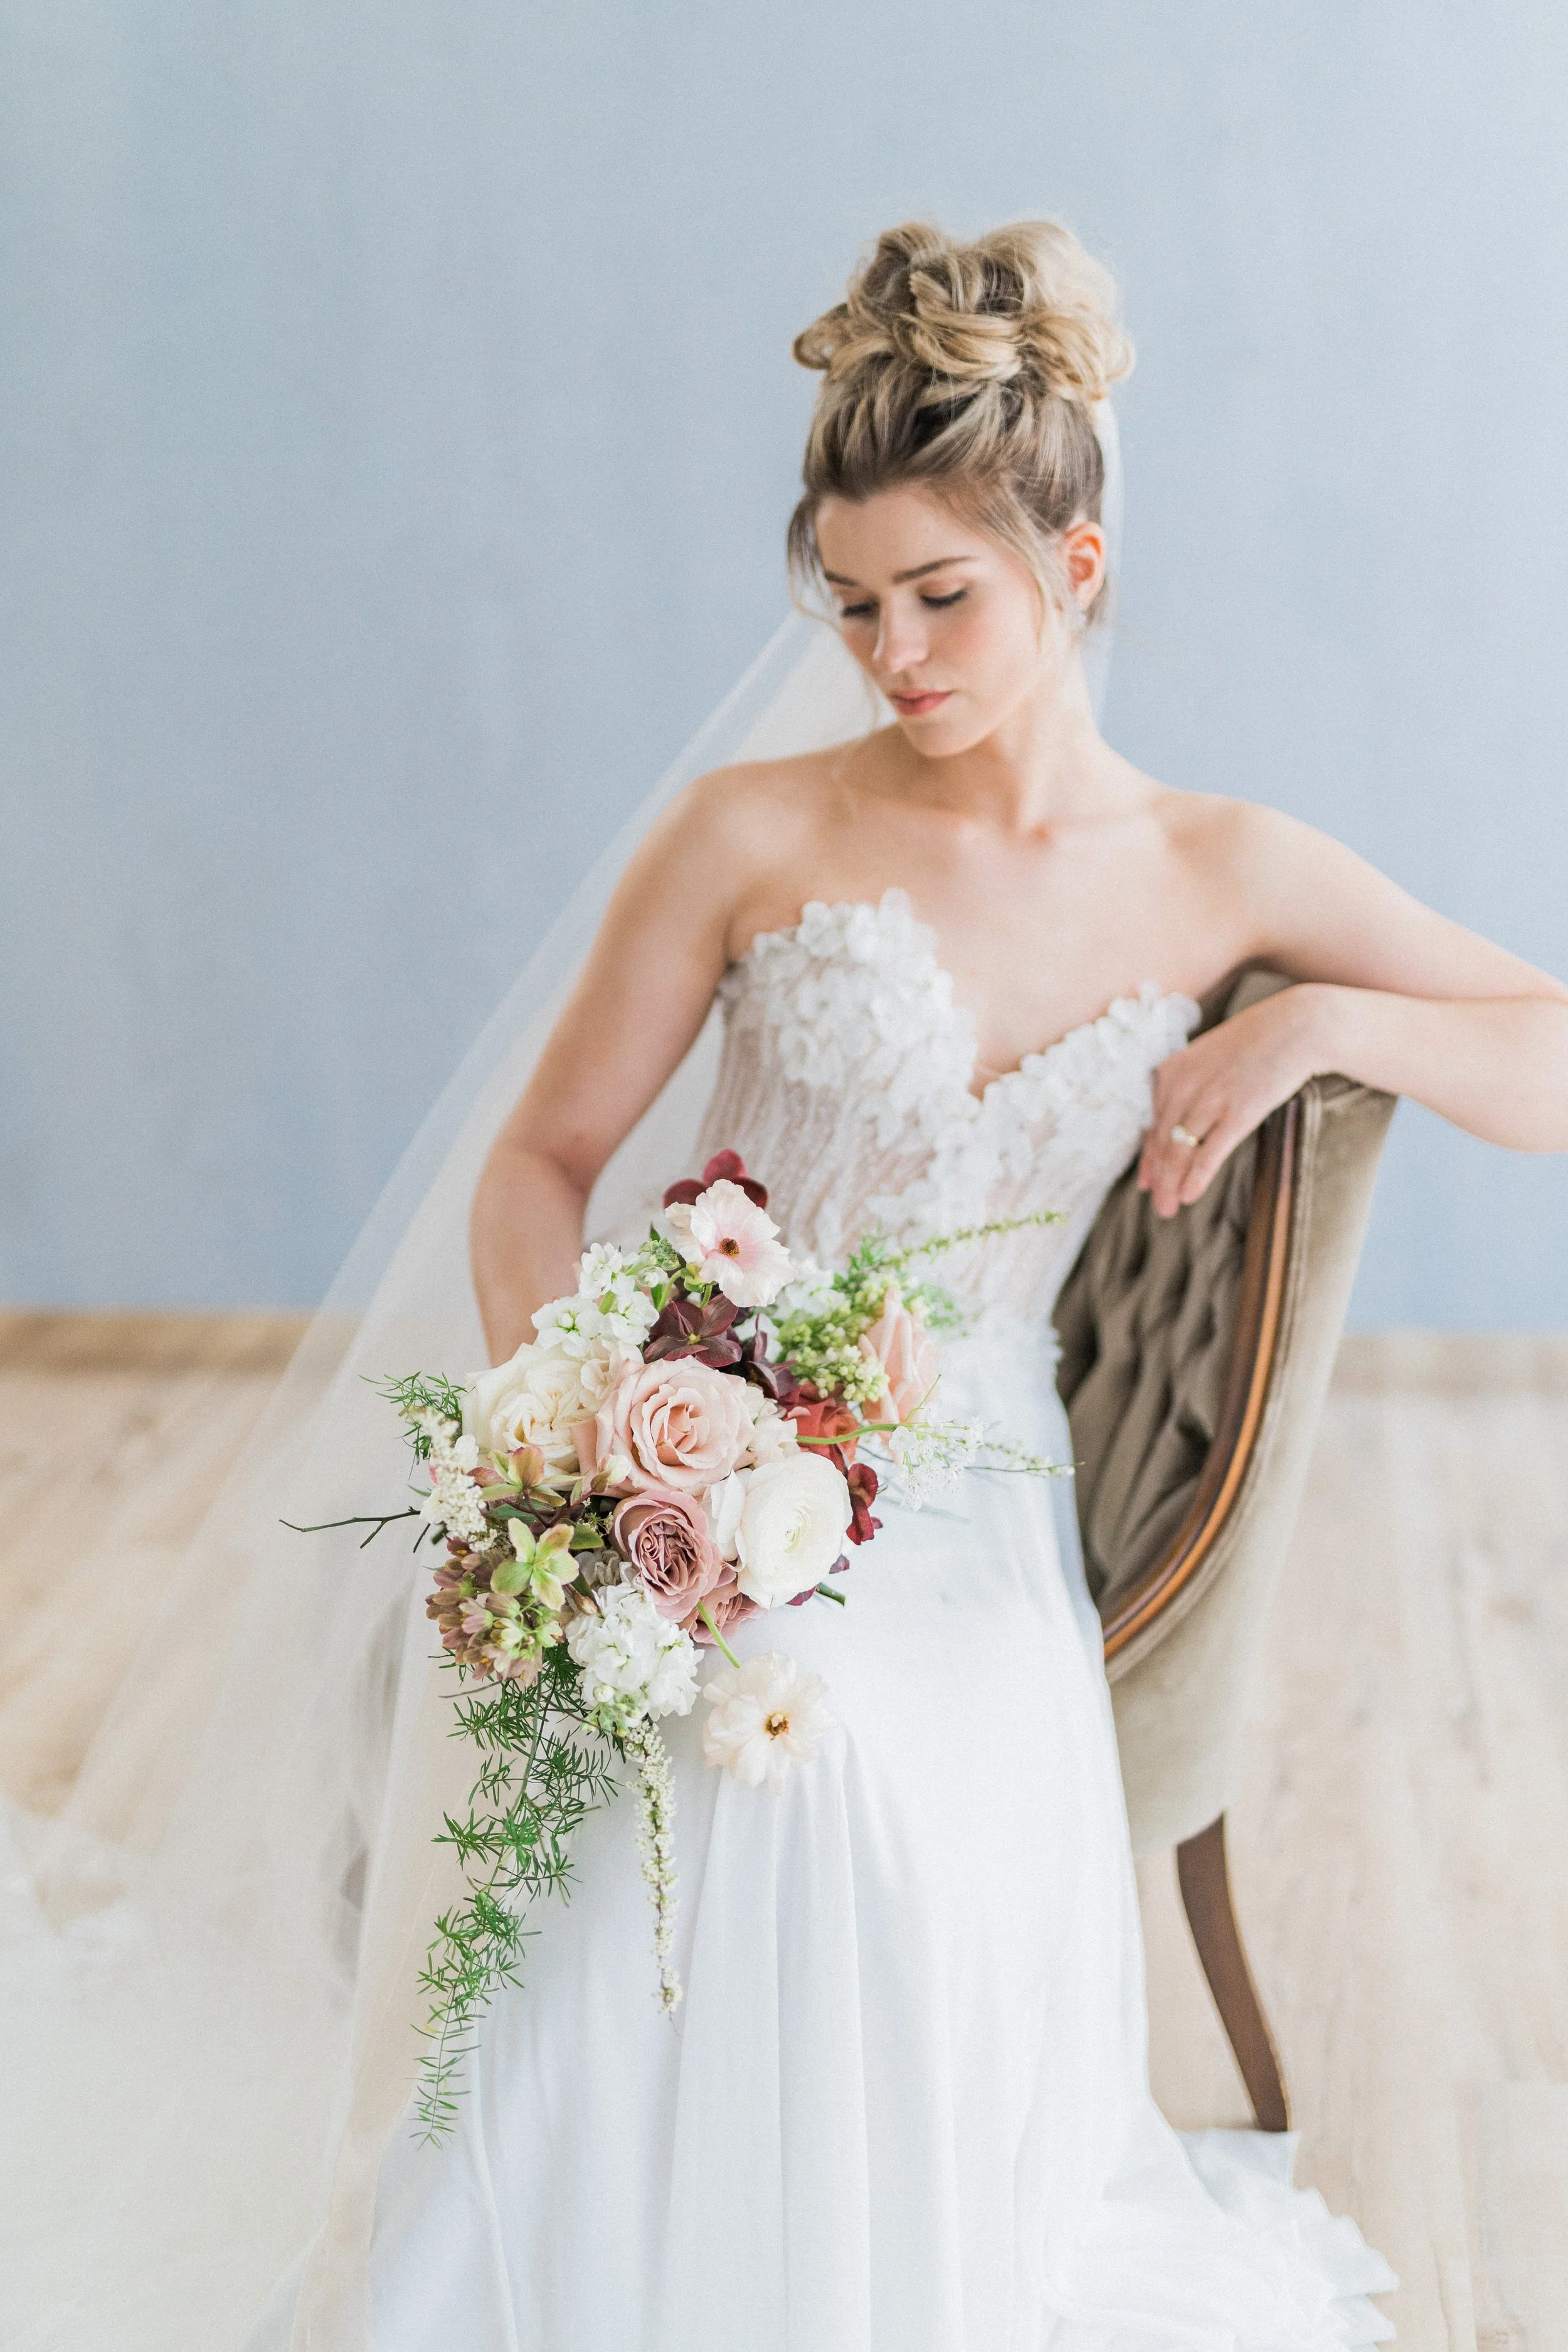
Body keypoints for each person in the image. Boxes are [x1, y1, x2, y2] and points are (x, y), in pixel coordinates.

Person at [252, 220, 1567, 2347]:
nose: (893, 652)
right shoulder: (748, 831)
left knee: (833, 1738)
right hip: (701, 1418)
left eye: (941, 595)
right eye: (854, 604)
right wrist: (578, 1412)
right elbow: (541, 1161)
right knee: (720, 1694)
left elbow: (1550, 1045)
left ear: (1077, 564)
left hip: (961, 1479)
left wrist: (1326, 1026)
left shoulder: (1218, 865)